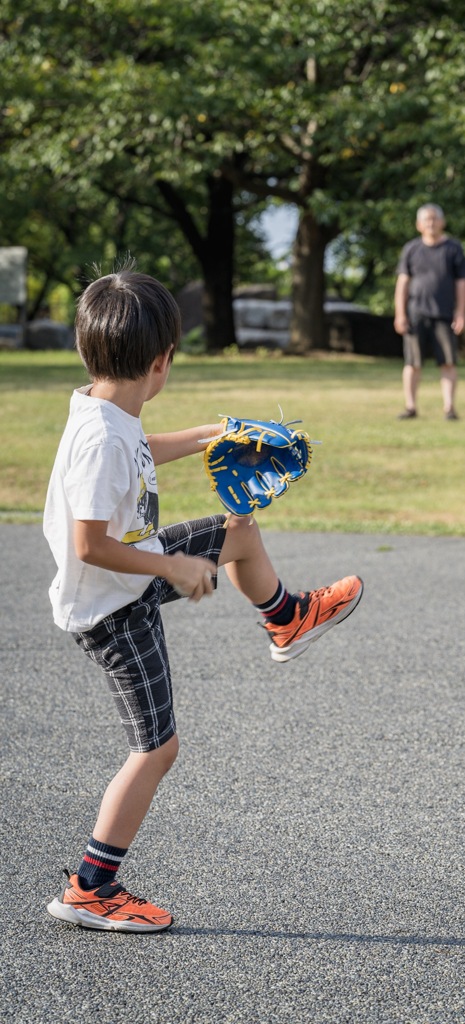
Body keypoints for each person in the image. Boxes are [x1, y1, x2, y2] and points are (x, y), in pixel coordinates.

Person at [43, 266, 363, 933]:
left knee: (237, 530)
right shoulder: (101, 440)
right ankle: (89, 888)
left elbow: (145, 450)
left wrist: (212, 433)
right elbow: (88, 545)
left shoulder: (106, 410)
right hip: (112, 609)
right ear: (162, 363)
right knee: (156, 749)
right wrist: (183, 569)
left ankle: (286, 620)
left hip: (127, 576)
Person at [393, 203, 465, 420]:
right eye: (426, 219)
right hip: (416, 314)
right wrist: (400, 314)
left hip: (445, 315)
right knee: (412, 363)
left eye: (434, 218)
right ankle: (410, 407)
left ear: (442, 222)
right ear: (419, 225)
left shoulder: (453, 249)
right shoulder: (411, 249)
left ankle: (449, 408)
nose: (431, 223)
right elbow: (402, 283)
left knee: (448, 362)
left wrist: (461, 312)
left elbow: (462, 283)